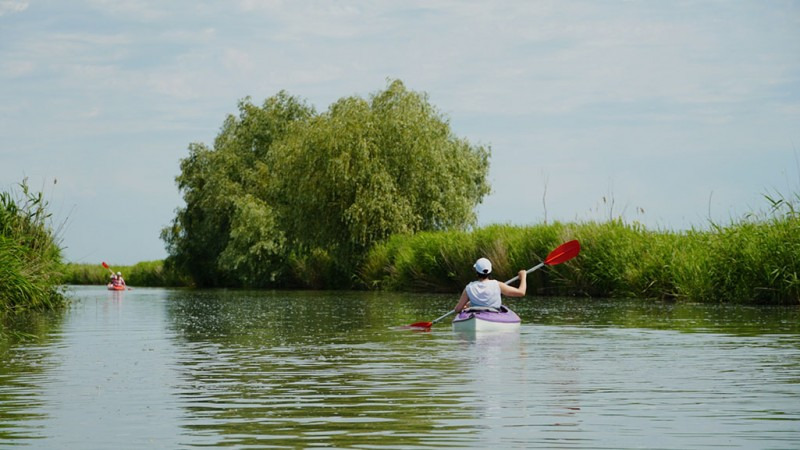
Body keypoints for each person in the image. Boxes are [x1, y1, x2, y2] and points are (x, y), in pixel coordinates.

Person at [453, 257, 527, 313]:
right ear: (490, 271)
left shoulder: (469, 287)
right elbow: (521, 292)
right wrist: (523, 277)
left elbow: (457, 309)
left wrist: (465, 306)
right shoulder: (498, 285)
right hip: (494, 313)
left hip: (475, 314)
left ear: (476, 271)